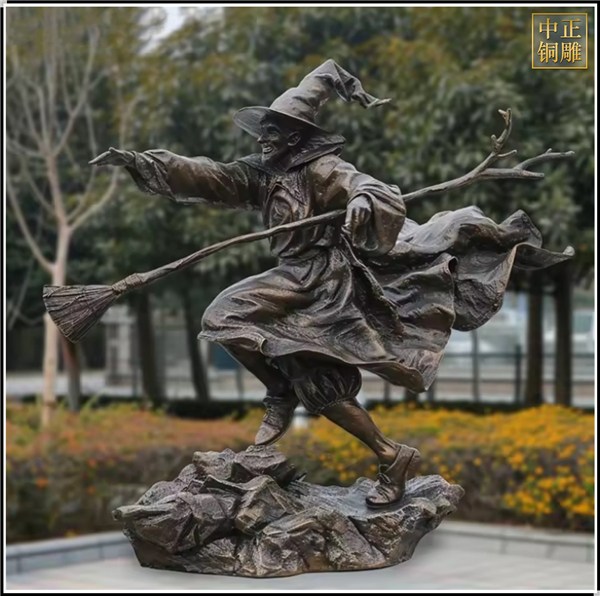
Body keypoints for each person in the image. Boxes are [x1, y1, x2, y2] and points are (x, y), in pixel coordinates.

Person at [90, 59, 570, 508]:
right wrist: (140, 161)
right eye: (263, 130)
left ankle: (333, 422)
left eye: (274, 131)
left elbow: (367, 186)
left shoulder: (322, 169)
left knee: (263, 342)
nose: (264, 138)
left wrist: (362, 201)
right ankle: (360, 437)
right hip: (291, 278)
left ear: (297, 137)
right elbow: (206, 174)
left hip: (324, 282)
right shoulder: (260, 175)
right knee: (261, 344)